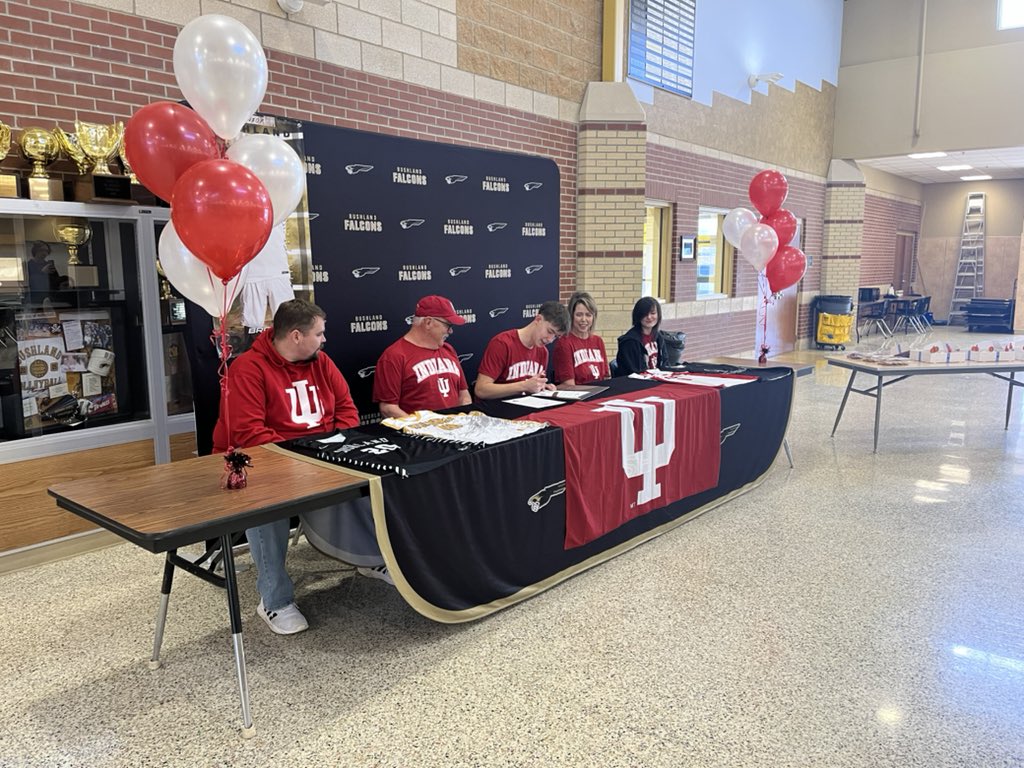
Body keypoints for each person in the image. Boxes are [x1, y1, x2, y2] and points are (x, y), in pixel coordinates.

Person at [212, 299, 359, 635]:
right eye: (319, 333)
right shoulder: (248, 369)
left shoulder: (322, 363)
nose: (324, 339)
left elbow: (347, 411)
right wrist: (305, 459)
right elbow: (251, 435)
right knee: (268, 505)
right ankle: (274, 600)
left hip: (318, 454)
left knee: (374, 481)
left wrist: (332, 446)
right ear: (296, 336)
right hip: (264, 460)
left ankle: (369, 558)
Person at [373, 295, 471, 417]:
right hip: (417, 433)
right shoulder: (394, 356)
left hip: (455, 430)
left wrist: (462, 419)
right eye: (448, 325)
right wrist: (422, 428)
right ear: (428, 322)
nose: (450, 331)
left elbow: (464, 394)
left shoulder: (448, 350)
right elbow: (388, 409)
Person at [474, 300, 569, 399]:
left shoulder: (543, 352)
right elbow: (481, 390)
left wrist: (542, 387)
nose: (550, 339)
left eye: (556, 336)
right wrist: (523, 386)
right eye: (550, 331)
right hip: (497, 409)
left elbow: (532, 386)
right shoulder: (502, 344)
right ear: (538, 319)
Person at [551, 291, 610, 385]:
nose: (584, 319)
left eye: (588, 315)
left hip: (600, 395)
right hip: (579, 397)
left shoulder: (598, 341)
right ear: (571, 316)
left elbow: (606, 377)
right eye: (579, 315)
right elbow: (569, 385)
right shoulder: (564, 343)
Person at [615, 296, 669, 376]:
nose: (649, 317)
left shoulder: (658, 338)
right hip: (638, 384)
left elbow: (665, 365)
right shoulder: (630, 342)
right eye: (645, 314)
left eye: (653, 313)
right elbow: (635, 372)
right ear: (638, 316)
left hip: (657, 381)